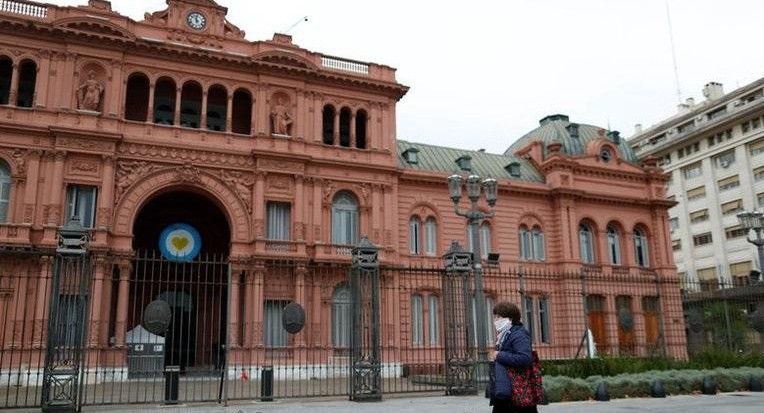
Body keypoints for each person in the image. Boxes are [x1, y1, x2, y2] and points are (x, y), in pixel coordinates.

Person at [490, 301, 538, 413]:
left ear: (509, 318)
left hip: (518, 388)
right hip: (507, 387)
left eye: (499, 317)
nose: (496, 320)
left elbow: (525, 358)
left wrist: (500, 355)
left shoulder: (519, 334)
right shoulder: (505, 334)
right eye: (495, 317)